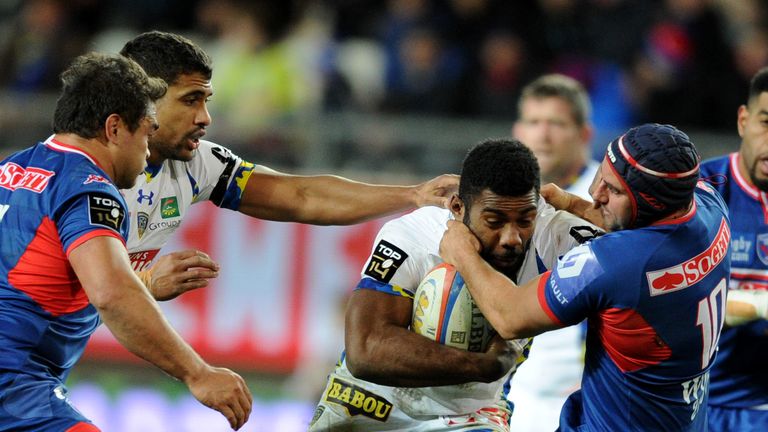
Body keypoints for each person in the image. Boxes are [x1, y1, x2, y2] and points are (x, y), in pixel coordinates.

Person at [0, 53, 251, 431]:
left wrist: (146, 283)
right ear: (114, 128)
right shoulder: (88, 189)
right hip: (14, 386)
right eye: (147, 132)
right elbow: (112, 293)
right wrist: (198, 373)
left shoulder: (13, 169)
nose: (149, 151)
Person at [116, 30, 458, 299]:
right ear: (141, 101)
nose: (205, 118)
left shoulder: (197, 163)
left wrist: (414, 195)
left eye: (206, 101)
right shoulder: (81, 172)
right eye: (190, 101)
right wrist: (144, 283)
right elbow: (69, 287)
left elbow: (302, 197)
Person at [440, 123, 731, 431]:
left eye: (614, 190)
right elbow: (648, 228)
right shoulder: (711, 206)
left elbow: (509, 316)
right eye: (601, 176)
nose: (594, 193)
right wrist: (571, 203)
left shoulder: (614, 263)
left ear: (651, 204)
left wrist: (462, 252)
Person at [309, 138, 602, 431]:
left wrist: (580, 206)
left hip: (471, 415)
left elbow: (639, 253)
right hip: (371, 401)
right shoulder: (414, 234)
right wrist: (484, 366)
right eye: (494, 221)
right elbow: (366, 350)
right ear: (459, 207)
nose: (512, 238)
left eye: (525, 220)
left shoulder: (555, 233)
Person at [508, 73, 599, 432]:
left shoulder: (609, 203)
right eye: (533, 122)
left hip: (583, 399)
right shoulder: (498, 204)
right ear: (518, 130)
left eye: (556, 123)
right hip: (513, 393)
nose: (542, 135)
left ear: (584, 134)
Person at [700, 67, 768, 431]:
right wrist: (760, 305)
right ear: (743, 120)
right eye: (766, 123)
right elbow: (666, 301)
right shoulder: (697, 193)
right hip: (689, 401)